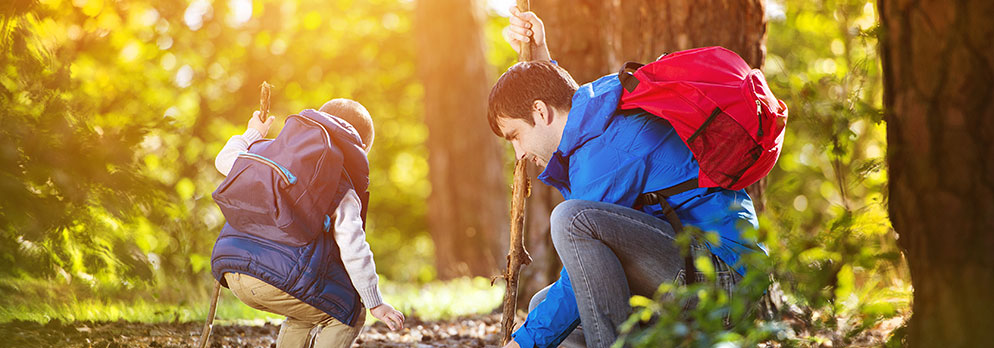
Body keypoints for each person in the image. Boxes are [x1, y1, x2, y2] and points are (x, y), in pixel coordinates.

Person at [493, 8, 765, 348]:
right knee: (543, 307)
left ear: (539, 111)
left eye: (515, 136)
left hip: (725, 285)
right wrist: (541, 60)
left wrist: (521, 344)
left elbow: (580, 241)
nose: (519, 153)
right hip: (694, 272)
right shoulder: (600, 113)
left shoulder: (604, 152)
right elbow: (561, 100)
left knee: (572, 220)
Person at [210, 99, 404, 348]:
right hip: (274, 279)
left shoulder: (271, 152)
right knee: (349, 314)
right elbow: (354, 247)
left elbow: (224, 160)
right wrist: (374, 302)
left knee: (306, 312)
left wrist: (254, 133)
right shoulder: (340, 184)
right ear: (361, 148)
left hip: (230, 268)